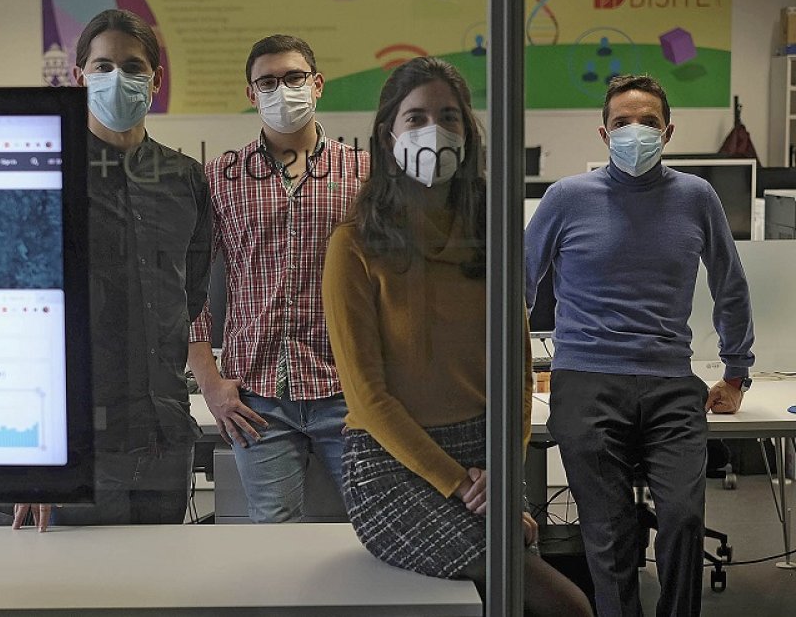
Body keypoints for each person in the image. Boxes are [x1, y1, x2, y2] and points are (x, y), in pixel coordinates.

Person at [323, 56, 592, 615]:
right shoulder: (353, 244)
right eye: (415, 117)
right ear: (386, 135)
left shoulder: (489, 233)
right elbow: (368, 401)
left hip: (487, 459)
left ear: (469, 133)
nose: (434, 132)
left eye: (449, 116)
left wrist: (504, 468)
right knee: (563, 605)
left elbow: (518, 368)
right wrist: (462, 484)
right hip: (393, 467)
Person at [525, 74, 754, 616]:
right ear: (603, 134)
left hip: (670, 380)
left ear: (668, 131)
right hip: (585, 379)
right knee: (608, 536)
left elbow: (730, 284)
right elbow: (517, 282)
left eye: (648, 122)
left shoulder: (696, 197)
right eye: (622, 122)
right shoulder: (566, 198)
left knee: (683, 519)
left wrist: (737, 372)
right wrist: (512, 368)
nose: (635, 132)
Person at [10, 9, 212, 530]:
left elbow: (188, 296)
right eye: (102, 67)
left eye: (132, 65)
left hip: (165, 433)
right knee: (87, 596)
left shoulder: (185, 178)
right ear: (80, 78)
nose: (117, 78)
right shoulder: (49, 173)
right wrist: (36, 457)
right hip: (82, 443)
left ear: (155, 80)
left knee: (164, 593)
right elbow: (21, 320)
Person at [186, 34, 369, 523]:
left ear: (318, 85)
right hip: (256, 396)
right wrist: (209, 383)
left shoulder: (364, 174)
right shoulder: (221, 177)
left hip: (345, 390)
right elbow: (190, 287)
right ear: (251, 94)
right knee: (274, 534)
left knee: (376, 528)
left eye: (293, 78)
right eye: (267, 81)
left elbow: (391, 286)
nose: (282, 90)